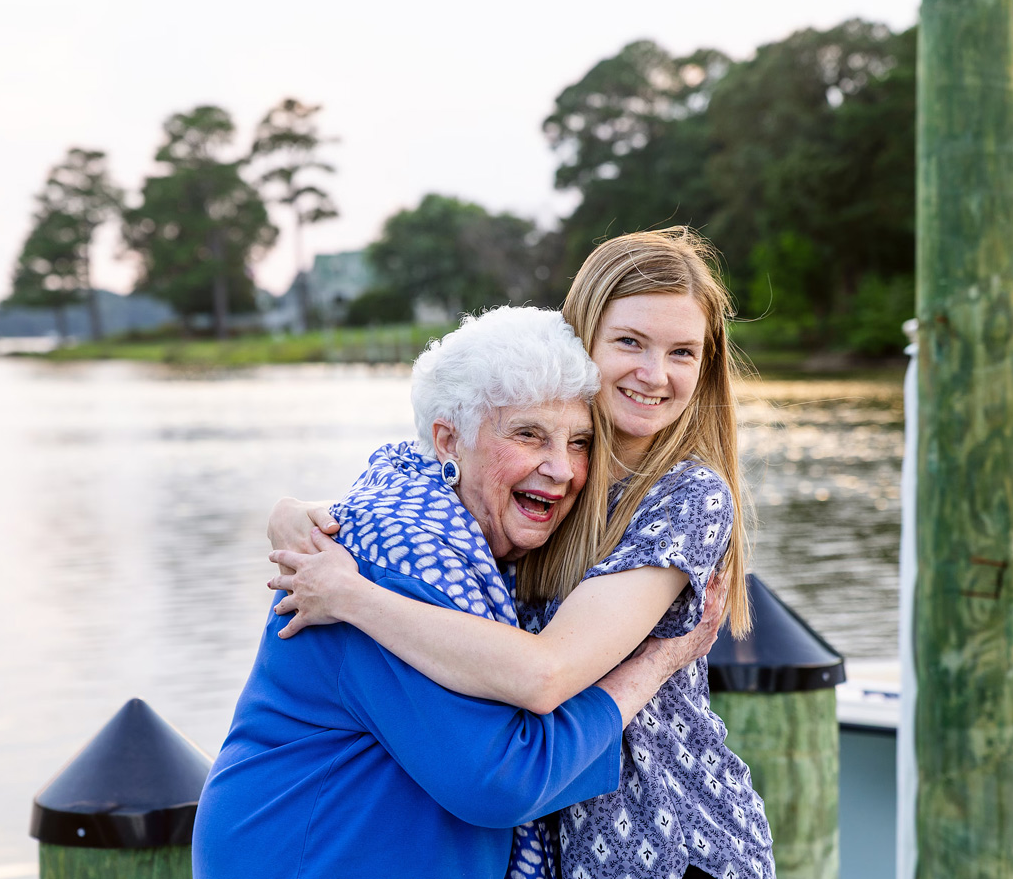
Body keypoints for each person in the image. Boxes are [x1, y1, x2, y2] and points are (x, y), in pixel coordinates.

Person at [268, 228, 775, 879]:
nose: (656, 374)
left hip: (671, 843)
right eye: (630, 342)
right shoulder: (555, 480)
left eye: (683, 352)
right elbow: (428, 481)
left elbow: (545, 674)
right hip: (563, 831)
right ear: (582, 340)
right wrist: (292, 514)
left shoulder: (687, 498)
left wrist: (353, 598)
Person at [192, 306, 723, 879]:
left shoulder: (478, 543)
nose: (563, 469)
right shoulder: (390, 555)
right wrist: (661, 659)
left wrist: (290, 509)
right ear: (448, 440)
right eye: (528, 434)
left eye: (579, 442)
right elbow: (500, 780)